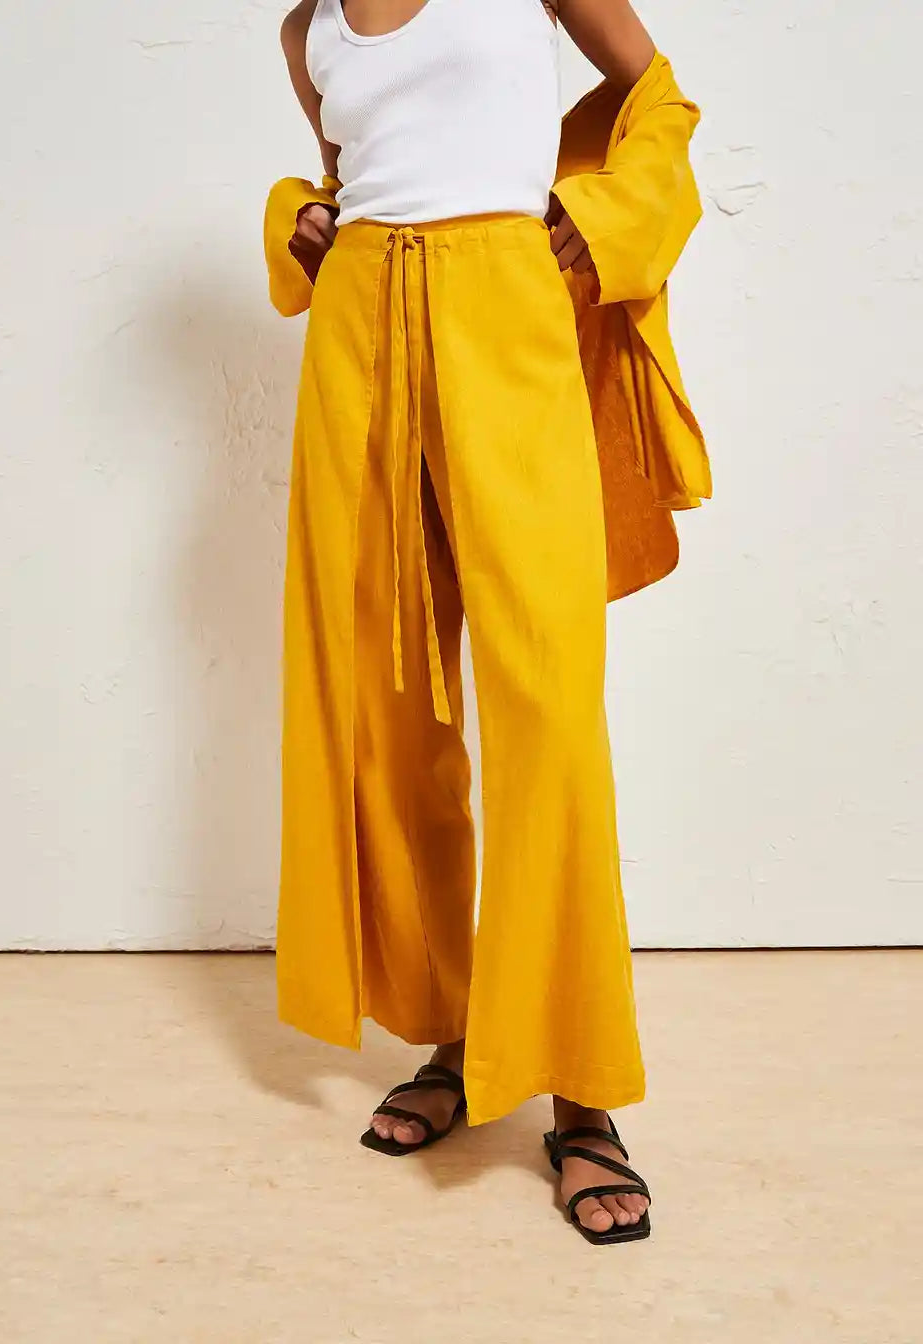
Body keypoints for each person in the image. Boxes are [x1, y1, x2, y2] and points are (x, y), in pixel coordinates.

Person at [264, 0, 710, 1246]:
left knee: (547, 707)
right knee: (392, 707)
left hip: (508, 309)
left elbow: (660, 95)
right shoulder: (305, 27)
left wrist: (604, 217)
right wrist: (310, 217)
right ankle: (455, 1039)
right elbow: (352, 173)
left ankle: (581, 1093)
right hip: (359, 329)